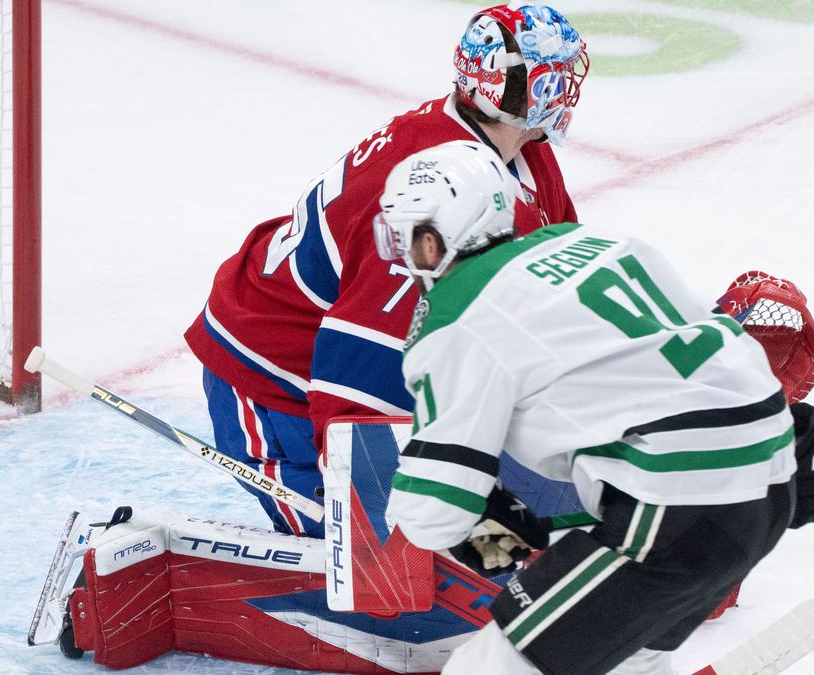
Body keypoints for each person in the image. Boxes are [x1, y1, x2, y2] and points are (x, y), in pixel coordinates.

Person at [375, 140, 814, 674]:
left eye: (404, 237)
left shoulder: (455, 317)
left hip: (672, 508)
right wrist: (793, 433)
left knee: (489, 668)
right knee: (628, 661)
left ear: (436, 237)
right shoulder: (591, 242)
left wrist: (485, 530)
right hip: (765, 487)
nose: (402, 255)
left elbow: (434, 507)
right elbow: (710, 343)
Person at [185, 3, 590, 536]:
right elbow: (359, 390)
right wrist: (372, 524)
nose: (567, 89)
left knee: (549, 512)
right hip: (280, 386)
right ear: (523, 90)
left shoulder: (518, 151)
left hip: (366, 361)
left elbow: (555, 278)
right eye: (556, 75)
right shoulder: (428, 206)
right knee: (420, 559)